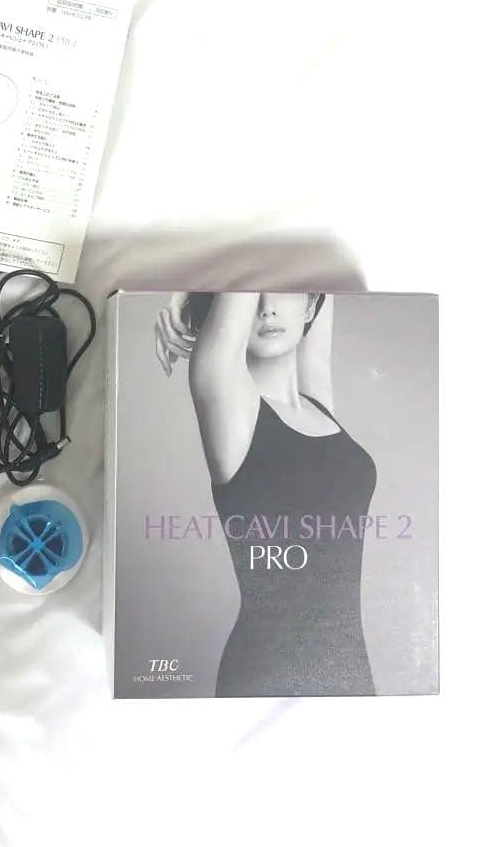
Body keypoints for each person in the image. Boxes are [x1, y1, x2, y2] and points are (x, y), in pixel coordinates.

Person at [155, 292, 376, 696]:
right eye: (256, 295)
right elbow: (245, 271)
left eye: (286, 291)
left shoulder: (315, 401)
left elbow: (320, 272)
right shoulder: (225, 397)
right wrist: (183, 289)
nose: (268, 306)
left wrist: (180, 290)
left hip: (350, 670)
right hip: (264, 673)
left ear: (310, 306)